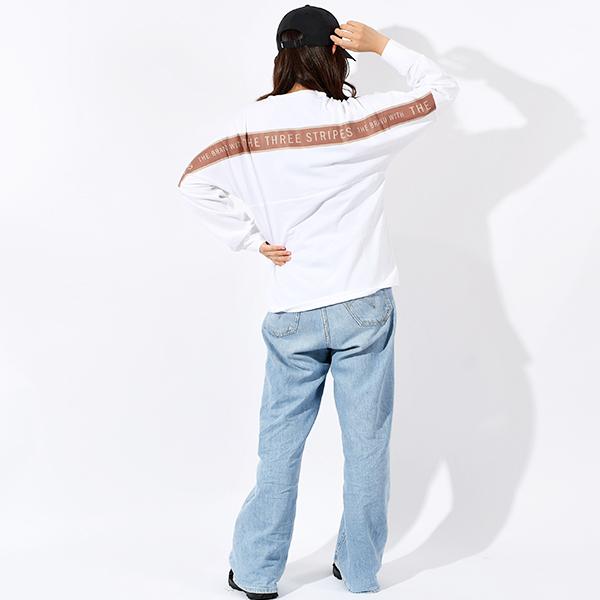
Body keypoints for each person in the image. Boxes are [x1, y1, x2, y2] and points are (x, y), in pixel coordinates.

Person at [176, 5, 459, 598]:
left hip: (293, 309)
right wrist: (382, 44)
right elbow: (440, 90)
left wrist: (251, 240)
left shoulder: (245, 129)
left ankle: (256, 572)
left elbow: (194, 181)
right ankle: (358, 570)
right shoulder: (357, 121)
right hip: (362, 305)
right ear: (334, 52)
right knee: (367, 446)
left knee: (279, 447)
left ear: (281, 56)